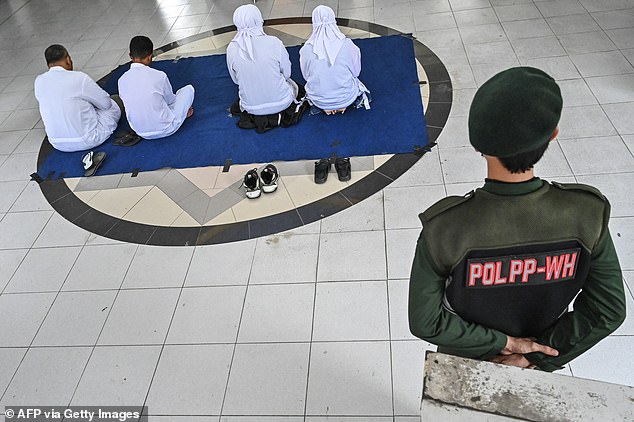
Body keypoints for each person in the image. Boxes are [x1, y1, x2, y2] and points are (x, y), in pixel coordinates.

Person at [408, 67, 626, 372]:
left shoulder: (445, 228)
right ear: (552, 136)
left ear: (478, 145)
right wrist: (533, 354)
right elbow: (608, 311)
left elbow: (426, 322)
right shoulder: (586, 213)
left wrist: (503, 342)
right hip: (542, 355)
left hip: (464, 358)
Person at [226, 4, 306, 132]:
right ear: (259, 19)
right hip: (282, 103)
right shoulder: (274, 42)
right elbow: (287, 74)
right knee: (296, 87)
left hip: (249, 107)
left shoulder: (231, 48)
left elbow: (236, 80)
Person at [34, 44, 121, 152]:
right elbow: (106, 104)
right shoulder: (79, 77)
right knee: (114, 103)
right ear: (68, 60)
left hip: (57, 143)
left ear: (48, 64)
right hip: (87, 140)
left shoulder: (39, 81)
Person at [118, 36, 194, 140]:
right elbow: (170, 101)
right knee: (188, 90)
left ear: (130, 56)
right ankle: (182, 115)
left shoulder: (122, 80)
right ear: (150, 56)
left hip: (140, 131)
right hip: (167, 128)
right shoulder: (159, 76)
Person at [299, 5, 370, 115]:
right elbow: (356, 73)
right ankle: (342, 105)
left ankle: (325, 106)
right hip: (346, 98)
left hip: (319, 101)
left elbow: (306, 76)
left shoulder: (306, 50)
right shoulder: (347, 44)